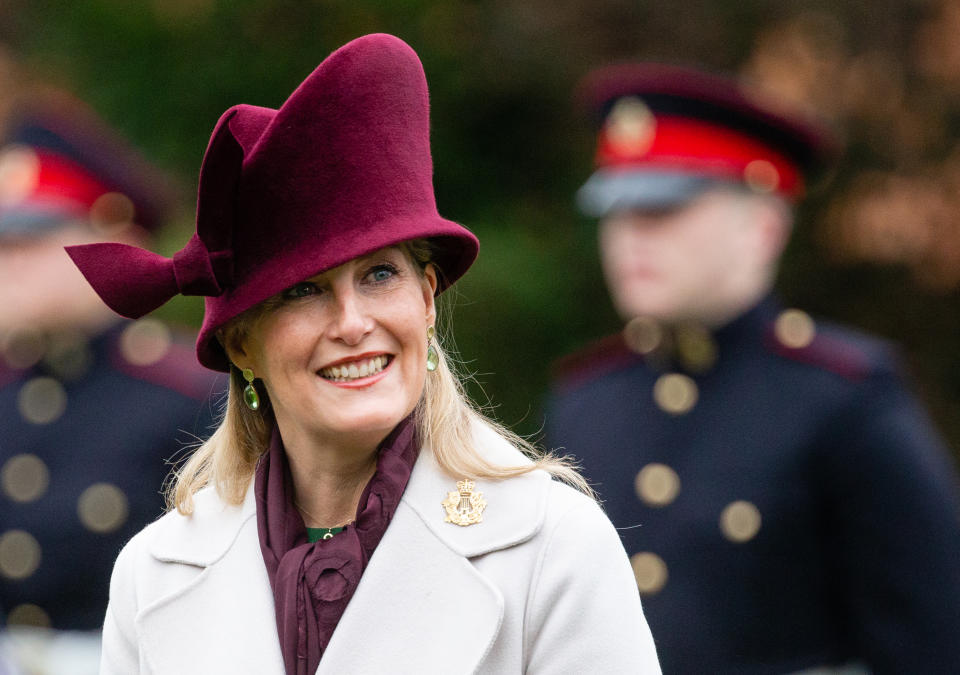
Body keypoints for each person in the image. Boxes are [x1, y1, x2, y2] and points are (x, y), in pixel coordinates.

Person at [67, 34, 661, 675]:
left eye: (381, 275)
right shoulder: (153, 573)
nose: (353, 324)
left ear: (428, 300)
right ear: (242, 344)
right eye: (303, 291)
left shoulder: (554, 545)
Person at [545, 62, 960, 674]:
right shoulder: (586, 399)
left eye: (662, 211)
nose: (630, 236)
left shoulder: (845, 401)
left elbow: (935, 644)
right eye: (618, 212)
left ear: (763, 228)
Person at [0, 90, 221, 673]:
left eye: (31, 238)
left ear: (116, 241)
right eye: (2, 242)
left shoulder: (196, 397)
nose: (8, 261)